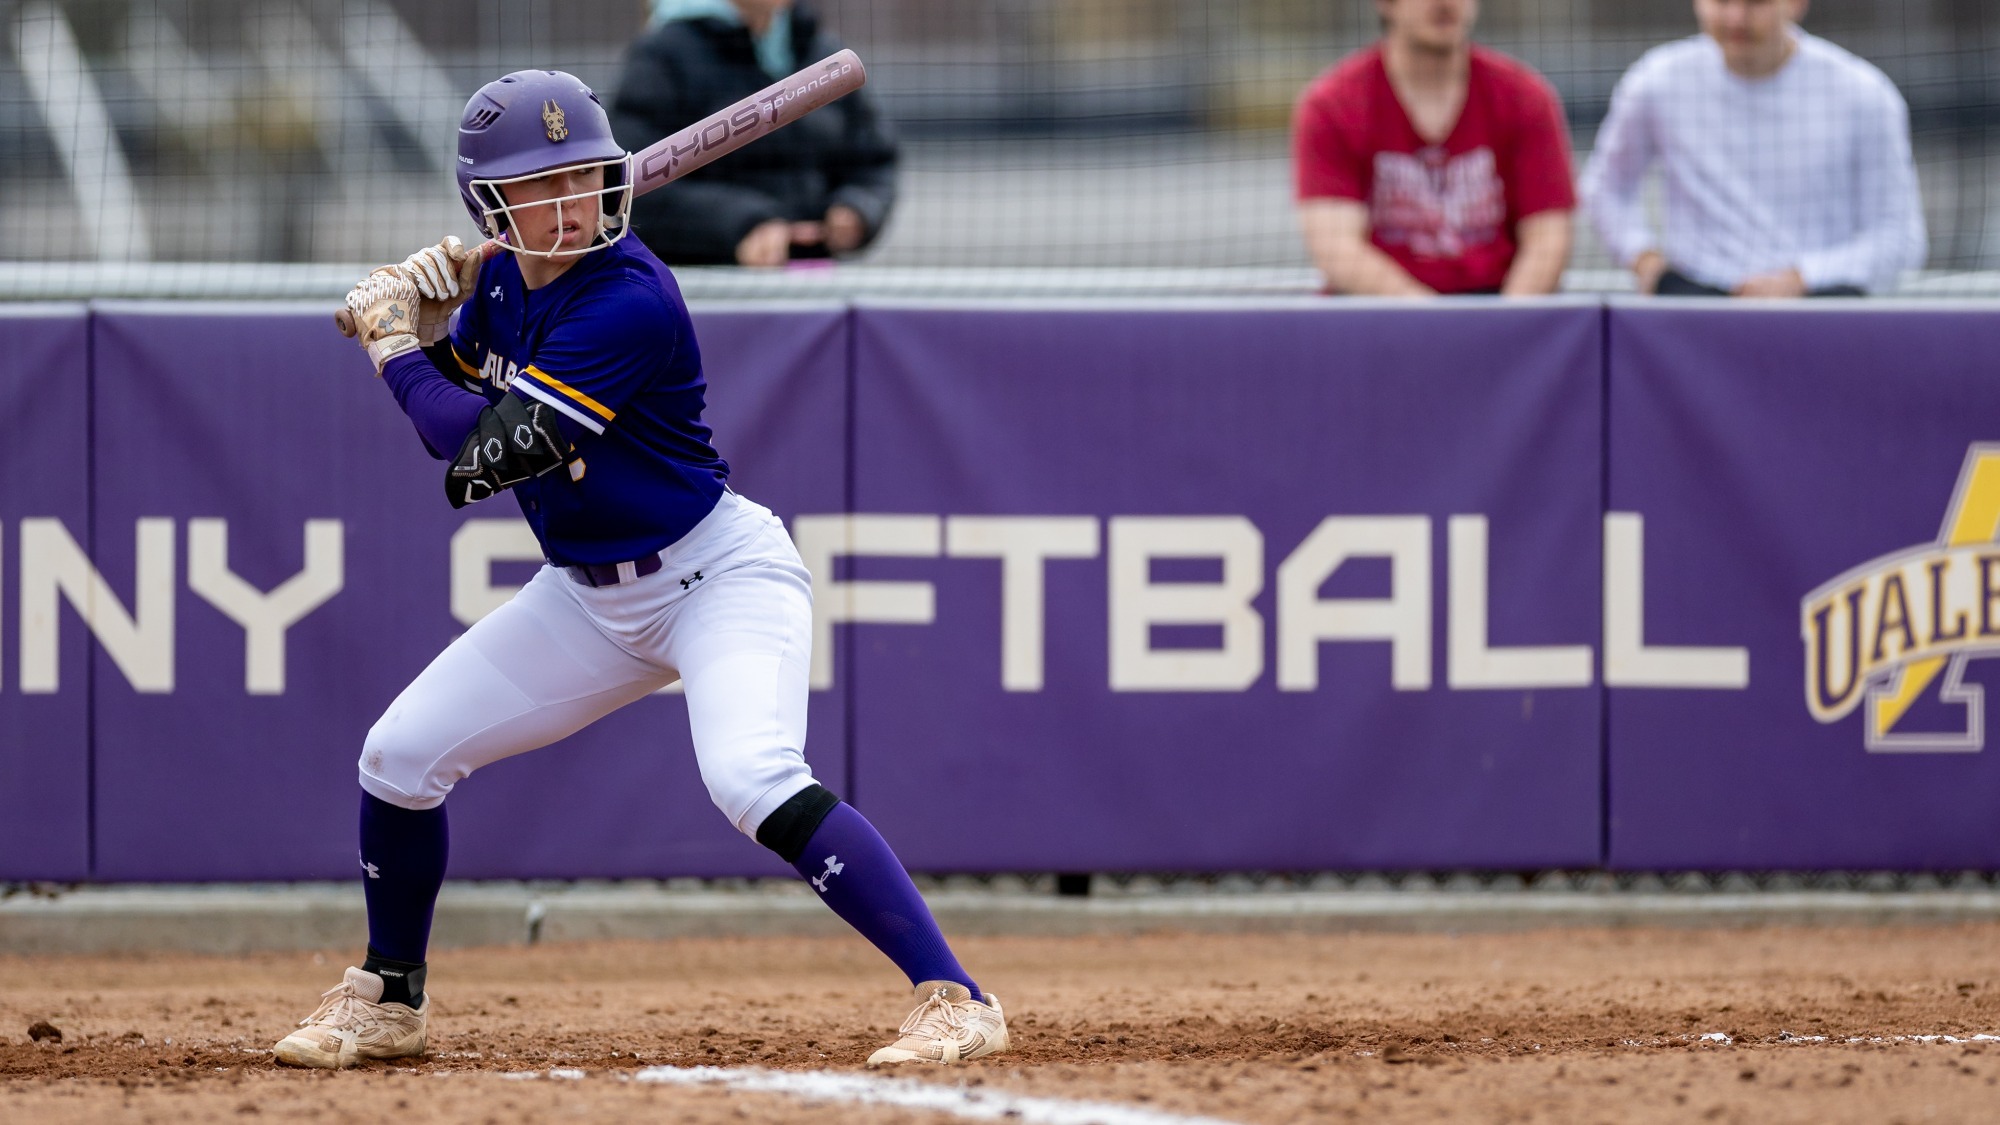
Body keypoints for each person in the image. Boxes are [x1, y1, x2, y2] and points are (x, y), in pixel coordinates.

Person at [272, 70, 1004, 1070]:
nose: (572, 203)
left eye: (584, 176)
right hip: (585, 598)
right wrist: (434, 323)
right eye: (541, 186)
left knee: (751, 779)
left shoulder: (630, 296)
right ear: (490, 203)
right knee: (397, 757)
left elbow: (487, 448)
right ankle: (389, 999)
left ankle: (954, 997)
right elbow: (463, 389)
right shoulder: (496, 280)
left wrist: (394, 345)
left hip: (716, 578)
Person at [1579, 0, 1926, 297]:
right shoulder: (1657, 82)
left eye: (1755, 2)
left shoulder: (1864, 94)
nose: (1735, 19)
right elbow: (1604, 189)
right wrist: (1647, 261)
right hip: (1694, 310)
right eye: (1721, 2)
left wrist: (1801, 278)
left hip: (1821, 311)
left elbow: (1899, 236)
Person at [1292, 0, 1576, 297]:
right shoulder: (1332, 105)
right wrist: (1436, 325)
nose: (1446, 3)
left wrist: (1503, 326)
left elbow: (1548, 239)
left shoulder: (1526, 98)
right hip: (1379, 314)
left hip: (1497, 304)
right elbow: (1338, 250)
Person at [608, 0, 896, 266]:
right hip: (713, 285)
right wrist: (743, 224)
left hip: (812, 284)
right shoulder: (664, 54)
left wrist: (856, 209)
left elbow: (873, 161)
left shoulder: (819, 47)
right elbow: (630, 187)